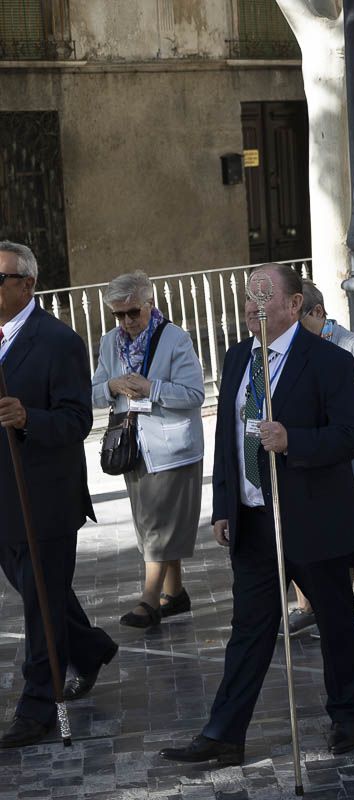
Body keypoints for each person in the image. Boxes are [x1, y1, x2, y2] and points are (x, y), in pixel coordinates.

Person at [160, 264, 354, 765]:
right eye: (247, 297)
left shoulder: (328, 362)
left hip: (313, 518)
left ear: (294, 305)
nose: (252, 306)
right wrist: (222, 503)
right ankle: (225, 732)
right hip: (253, 520)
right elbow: (226, 441)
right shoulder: (236, 360)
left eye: (263, 296)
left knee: (335, 620)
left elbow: (350, 436)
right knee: (249, 628)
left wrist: (293, 439)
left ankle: (346, 716)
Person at [0, 241, 118, 748]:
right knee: (40, 592)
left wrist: (30, 418)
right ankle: (89, 649)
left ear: (26, 284)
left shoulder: (59, 342)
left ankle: (38, 706)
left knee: (40, 604)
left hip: (43, 498)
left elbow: (76, 420)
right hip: (3, 499)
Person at [91, 271, 205, 629]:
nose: (126, 323)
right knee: (150, 523)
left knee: (157, 526)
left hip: (170, 447)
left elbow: (195, 395)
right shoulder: (110, 342)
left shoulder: (175, 338)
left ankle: (149, 600)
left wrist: (151, 388)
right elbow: (93, 392)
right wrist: (112, 385)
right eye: (118, 315)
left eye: (133, 313)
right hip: (131, 446)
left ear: (150, 304)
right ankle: (176, 593)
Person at [282, 280, 354, 638]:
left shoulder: (351, 344)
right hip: (305, 458)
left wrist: (327, 402)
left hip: (344, 463)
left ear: (317, 313)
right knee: (306, 534)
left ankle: (337, 603)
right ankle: (309, 606)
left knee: (344, 541)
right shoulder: (290, 349)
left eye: (298, 318)